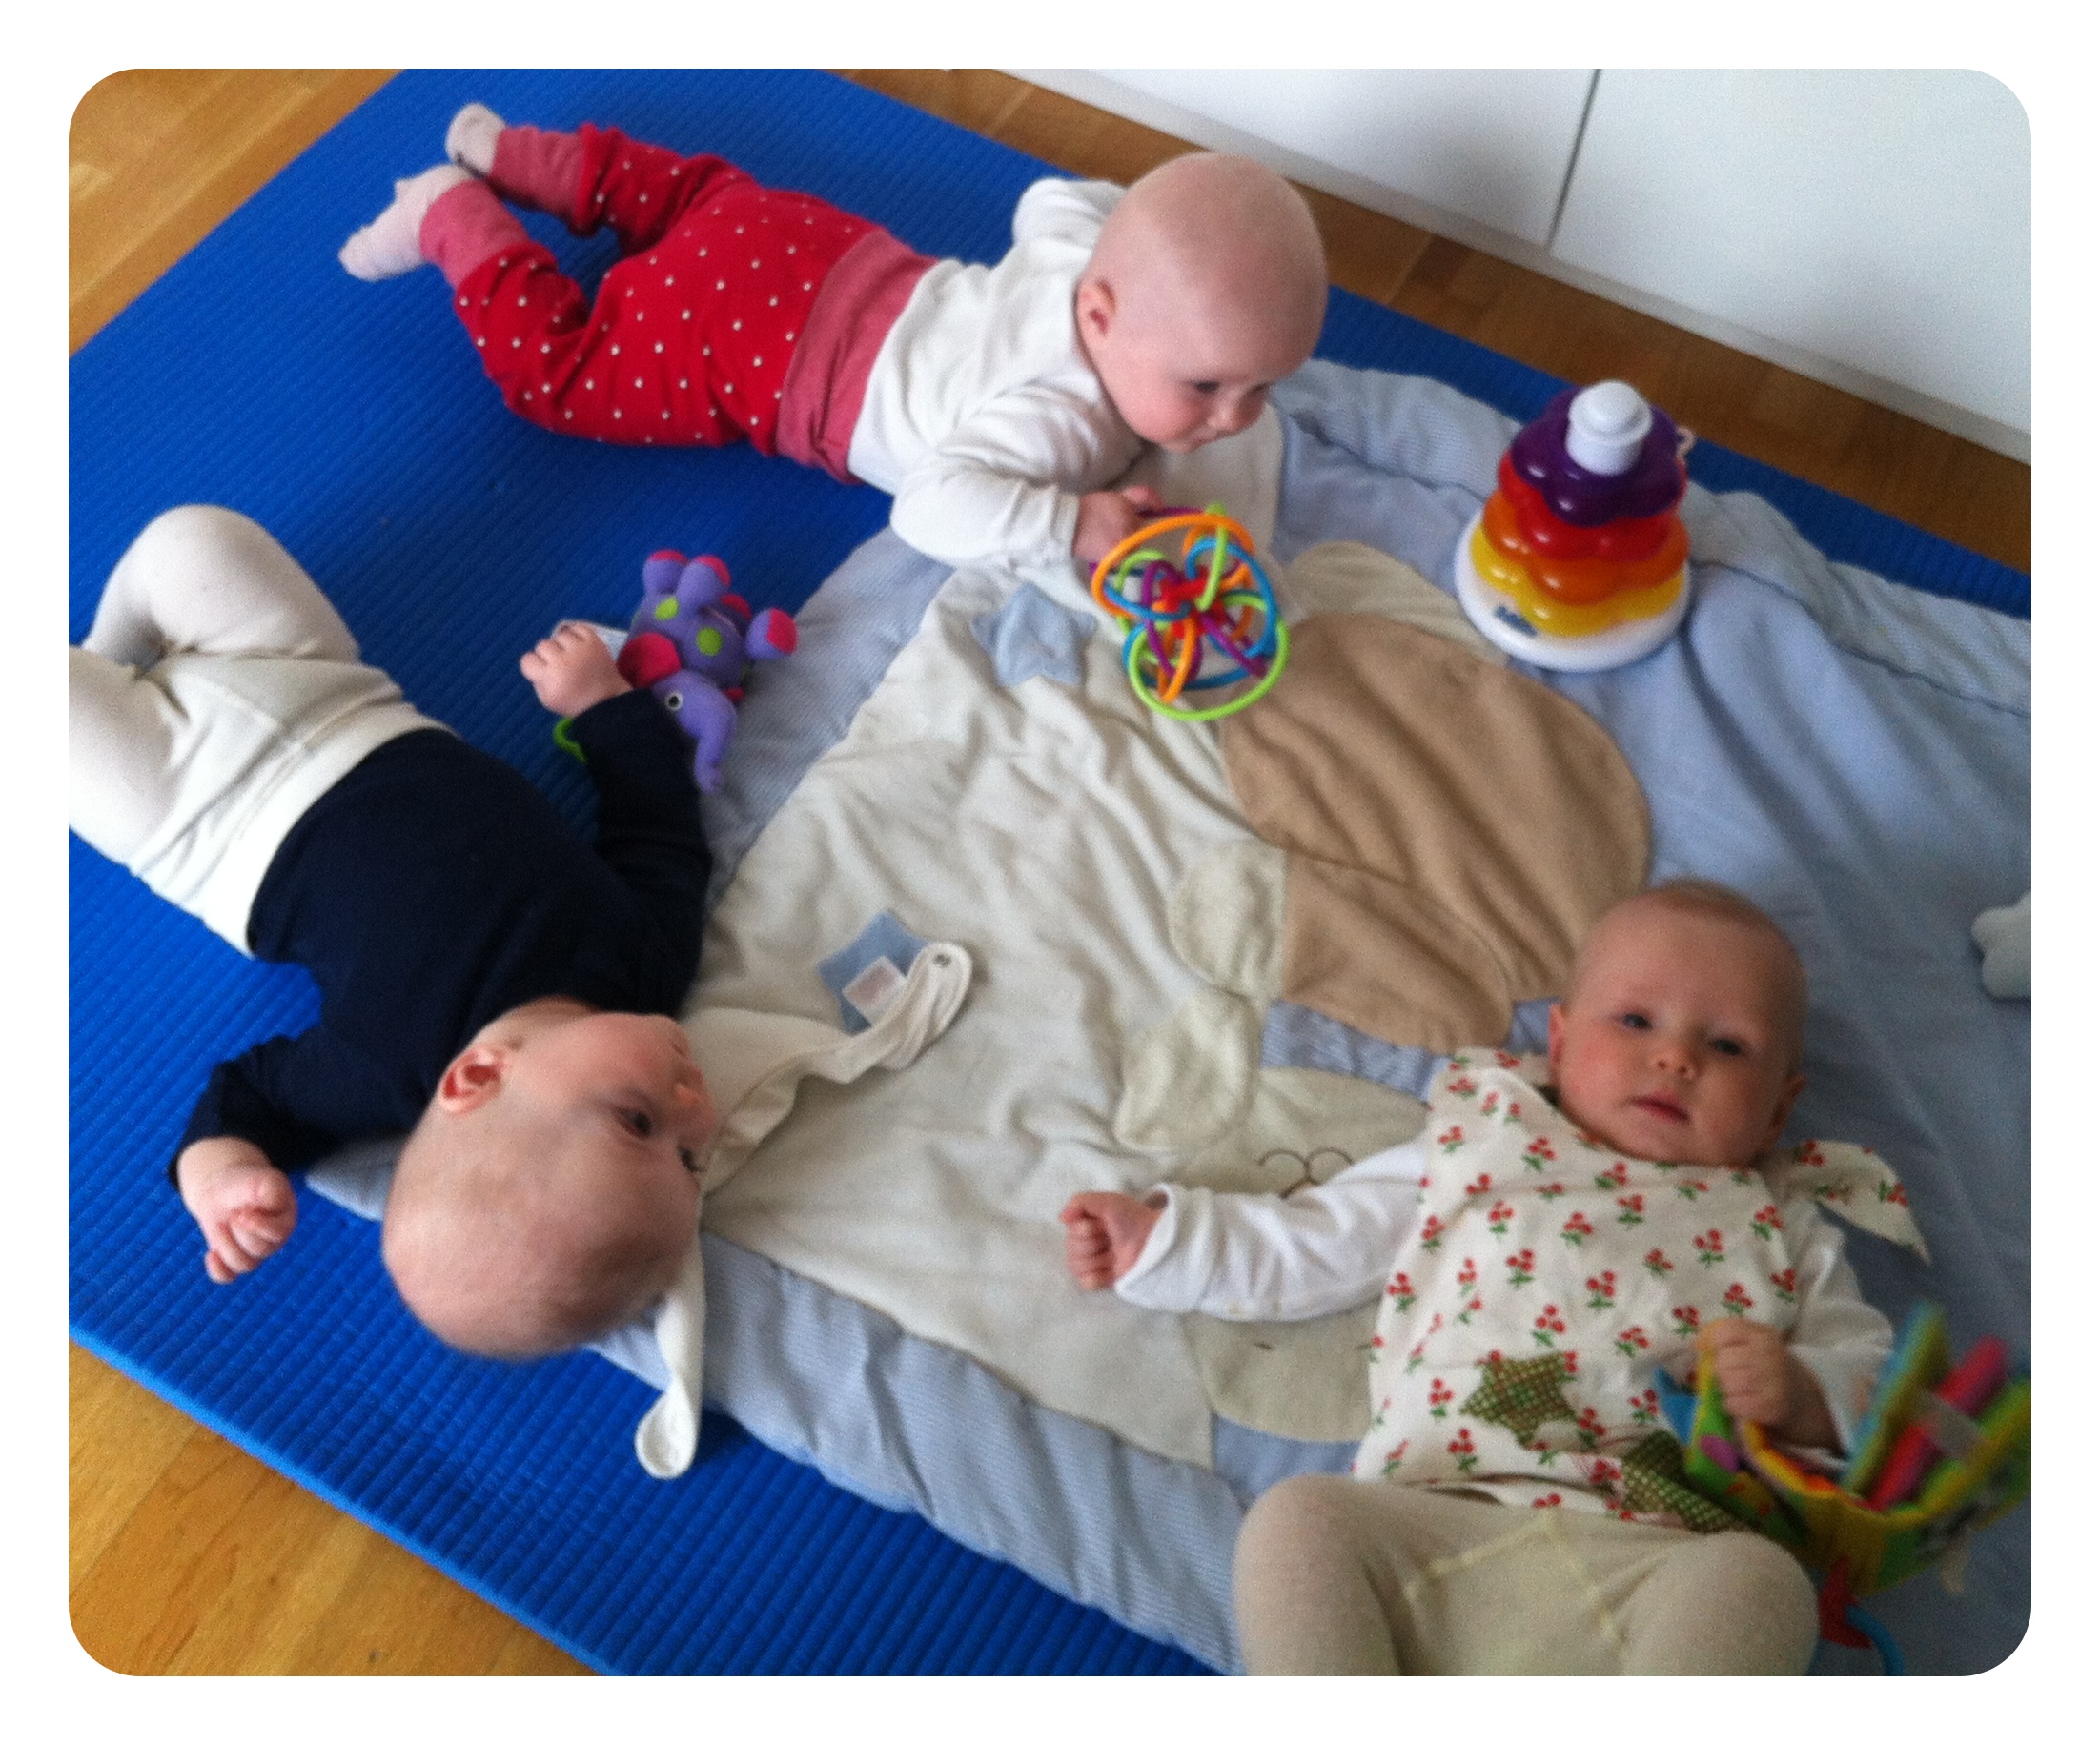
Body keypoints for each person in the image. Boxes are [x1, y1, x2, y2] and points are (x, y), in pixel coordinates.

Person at [1062, 880, 1923, 1674]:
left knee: (1763, 1585)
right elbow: (1322, 1239)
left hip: (1659, 1561)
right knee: (1296, 1522)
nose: (1674, 1058)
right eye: (1634, 1021)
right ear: (1560, 1040)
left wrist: (1802, 1395)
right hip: (1435, 1521)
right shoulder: (1483, 1144)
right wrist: (1169, 1242)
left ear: (1778, 1108)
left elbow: (1875, 1386)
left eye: (1727, 1045)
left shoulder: (1780, 1226)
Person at [70, 504, 717, 1359]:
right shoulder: (648, 960)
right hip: (329, 689)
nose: (694, 1109)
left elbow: (254, 1095)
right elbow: (660, 833)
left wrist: (220, 1173)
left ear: (477, 1076)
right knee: (194, 541)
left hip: (192, 813)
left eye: (646, 1124)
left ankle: (99, 689)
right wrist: (604, 707)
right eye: (687, 1156)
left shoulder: (388, 1064)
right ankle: (109, 655)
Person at [338, 105, 1329, 574]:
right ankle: (451, 211)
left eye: (1261, 387)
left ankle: (512, 151)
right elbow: (932, 507)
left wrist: (1158, 234)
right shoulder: (1061, 425)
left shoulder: (1084, 258)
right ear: (1102, 322)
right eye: (1207, 387)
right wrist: (1068, 524)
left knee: (693, 197)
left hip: (816, 247)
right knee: (559, 374)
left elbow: (1053, 198)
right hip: (760, 350)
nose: (1235, 419)